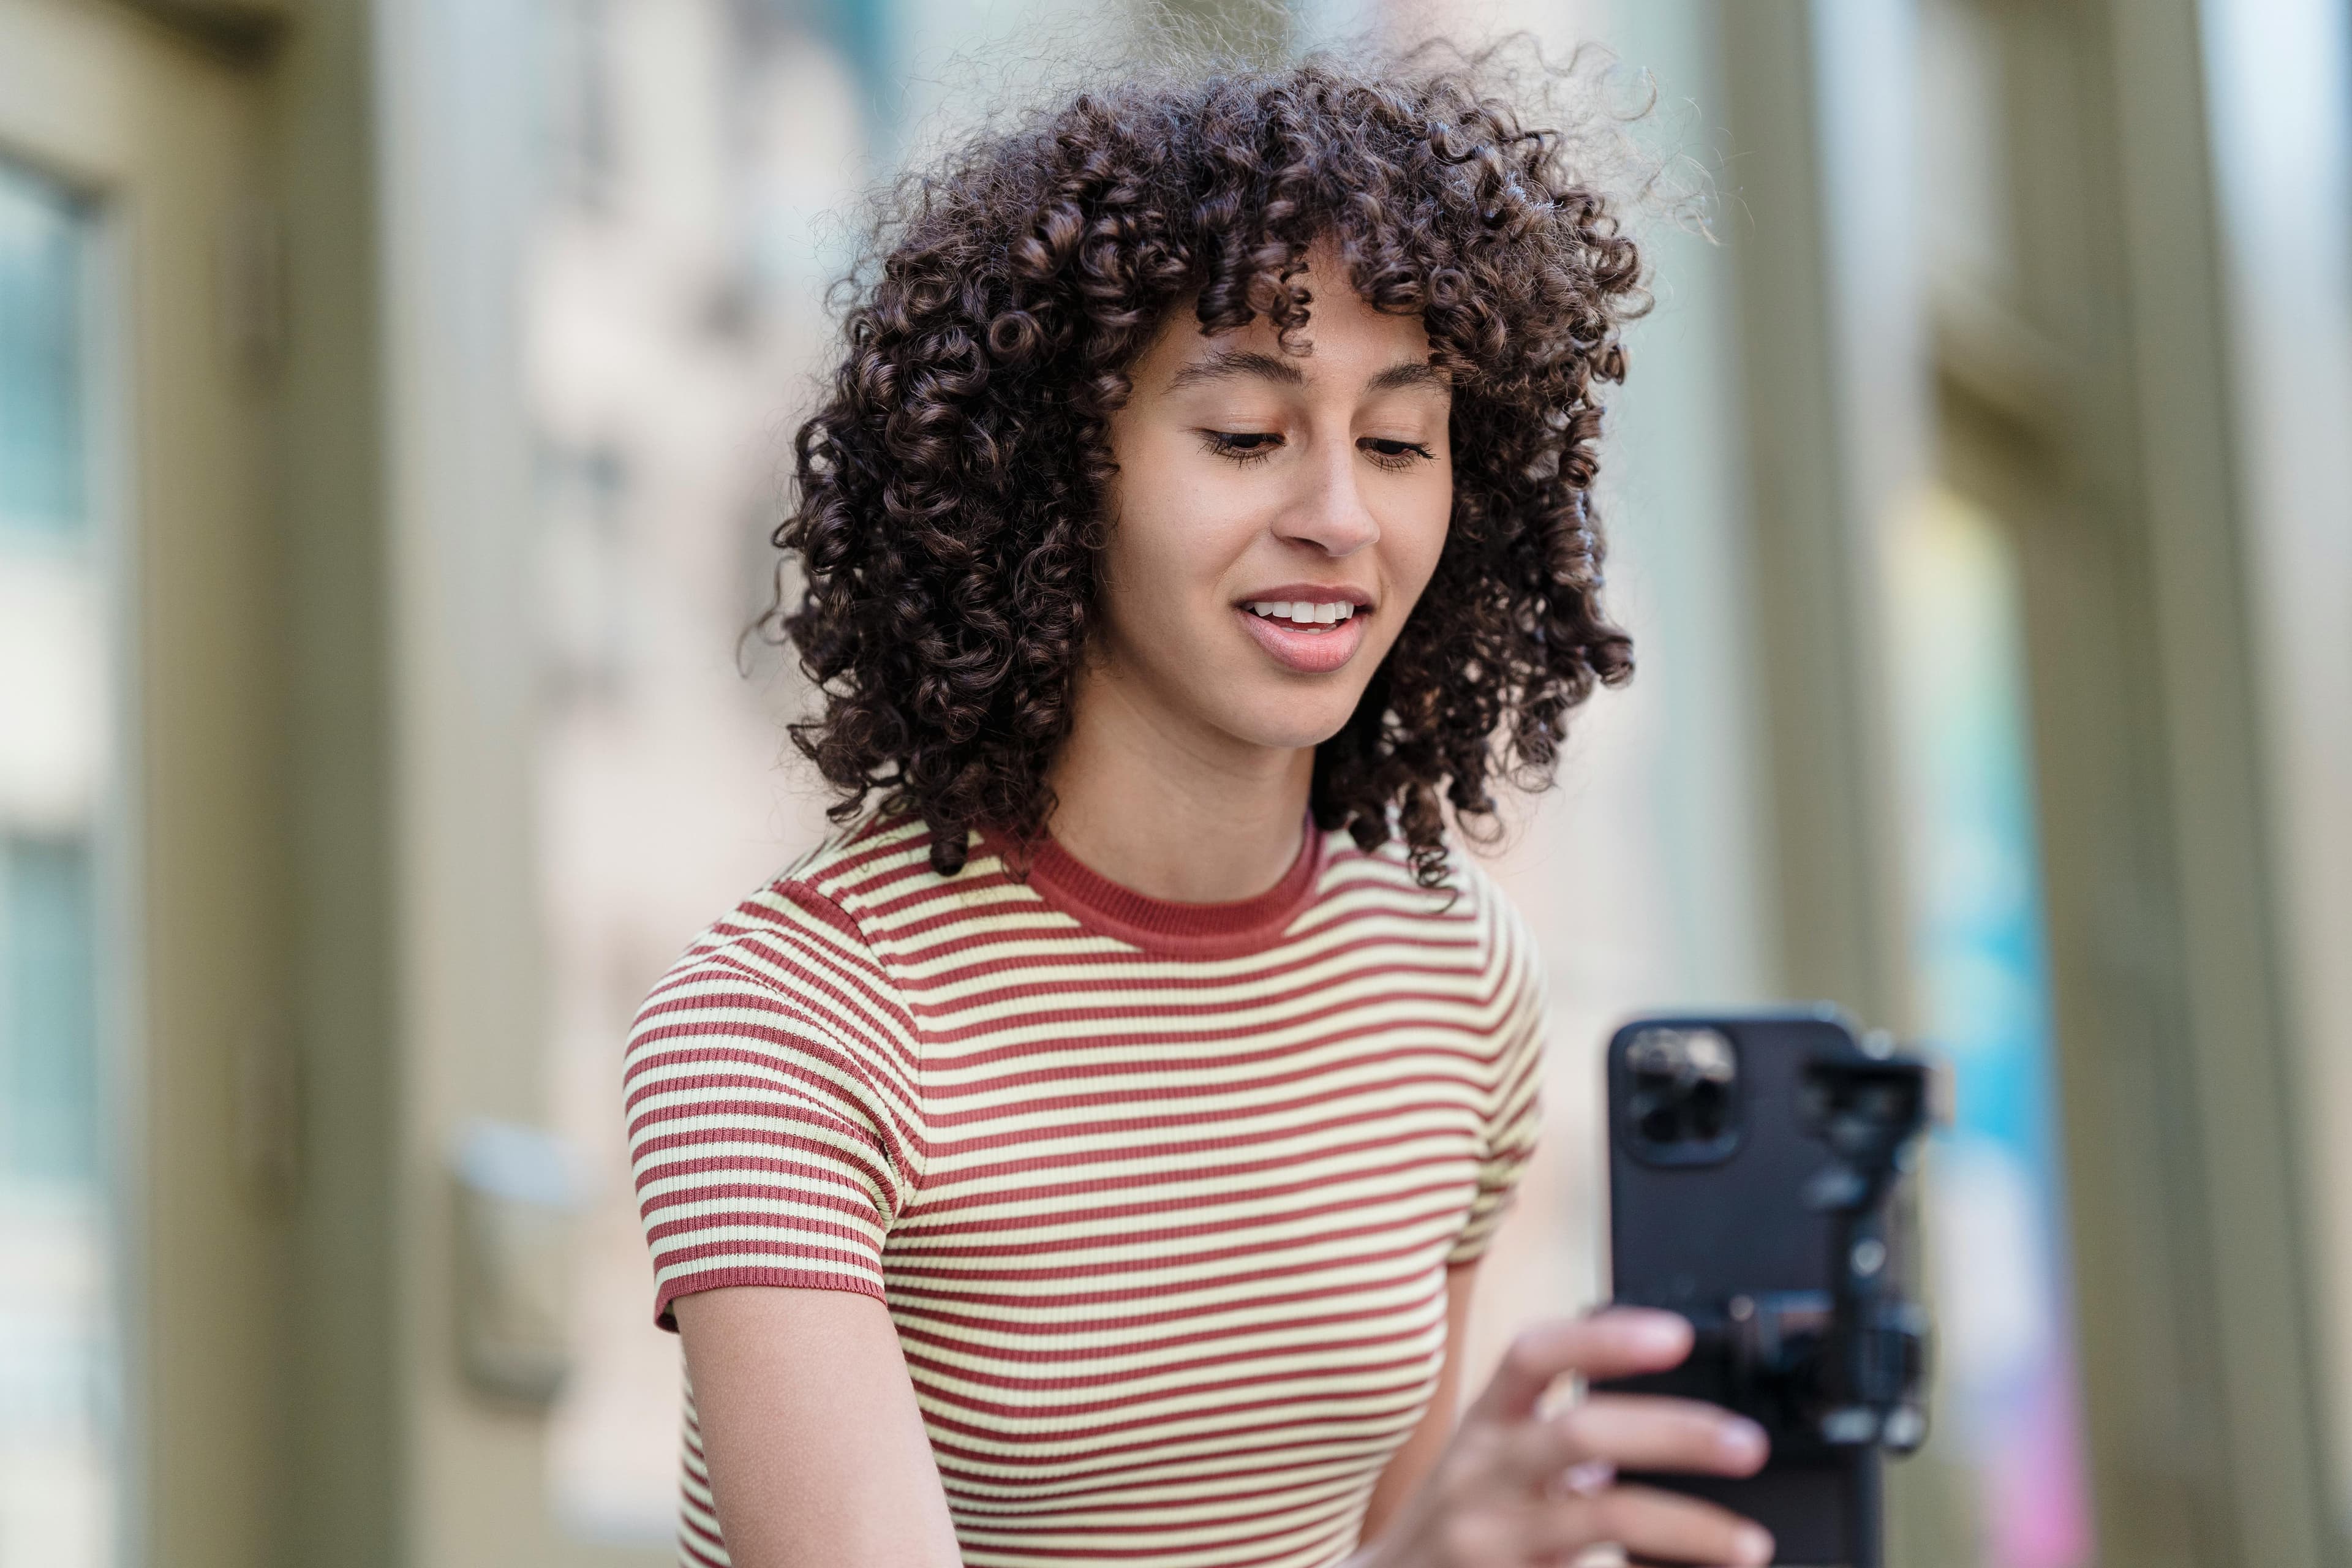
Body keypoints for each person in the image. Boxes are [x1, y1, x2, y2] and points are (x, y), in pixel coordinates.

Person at [623, 44, 1776, 1568]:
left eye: (1396, 442)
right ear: (1046, 475)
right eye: (1244, 435)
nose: (1339, 518)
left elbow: (1394, 1537)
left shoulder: (1454, 979)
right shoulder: (785, 1028)